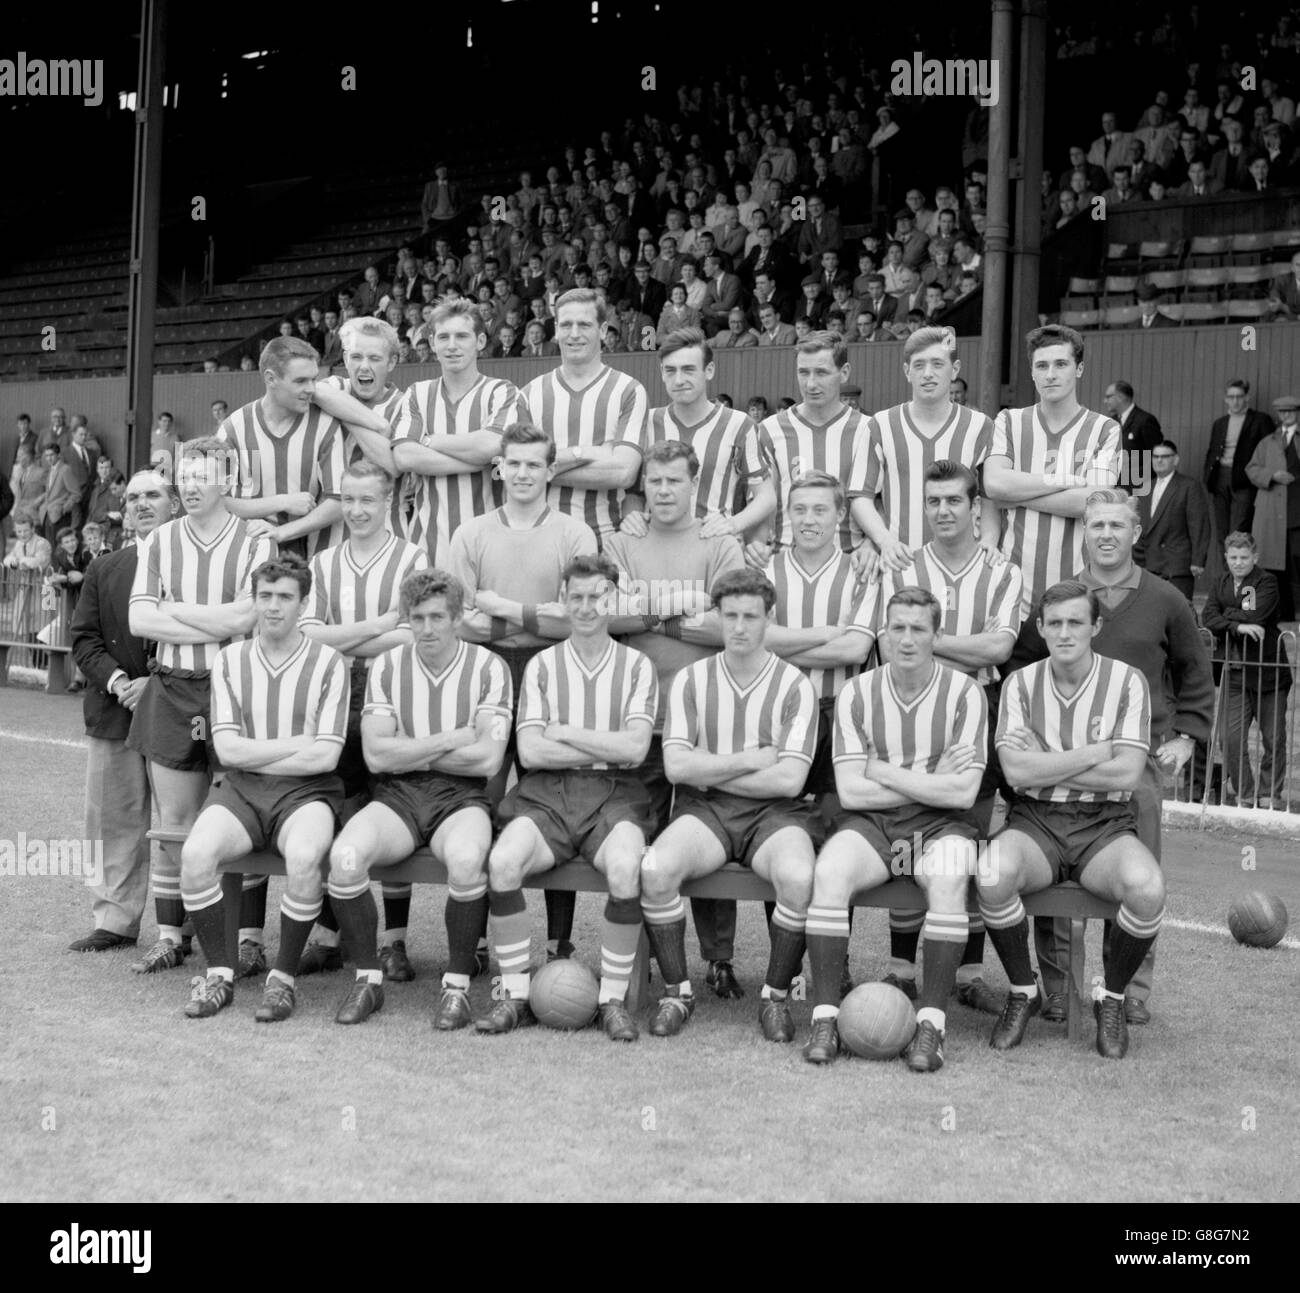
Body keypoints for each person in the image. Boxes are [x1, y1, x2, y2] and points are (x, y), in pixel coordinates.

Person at [1033, 491, 1212, 1024]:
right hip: (1064, 759)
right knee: (1054, 874)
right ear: (1082, 532)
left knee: (1138, 877)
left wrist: (1186, 736)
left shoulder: (1166, 599)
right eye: (1096, 524)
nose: (1106, 534)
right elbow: (1028, 665)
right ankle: (1059, 989)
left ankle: (1128, 988)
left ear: (1136, 533)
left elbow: (1195, 671)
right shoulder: (1063, 600)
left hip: (1139, 763)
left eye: (1117, 524)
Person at [802, 586, 989, 1071]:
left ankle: (932, 1025)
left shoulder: (965, 693)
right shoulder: (857, 693)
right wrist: (932, 779)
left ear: (937, 635)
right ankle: (824, 1017)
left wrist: (882, 770)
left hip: (946, 826)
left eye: (918, 629)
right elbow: (851, 793)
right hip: (873, 824)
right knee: (830, 873)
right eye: (897, 629)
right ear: (884, 633)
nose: (906, 640)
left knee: (948, 879)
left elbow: (963, 795)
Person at [978, 580, 1165, 1060]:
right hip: (1036, 820)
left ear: (1095, 626)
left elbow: (1127, 771)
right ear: (1039, 627)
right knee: (992, 874)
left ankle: (1113, 998)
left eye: (1075, 622)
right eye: (1054, 623)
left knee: (1145, 889)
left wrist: (1050, 759)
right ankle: (1023, 989)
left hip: (1103, 825)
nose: (1064, 633)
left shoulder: (1126, 681)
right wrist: (1094, 752)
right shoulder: (1020, 683)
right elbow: (1017, 773)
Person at [478, 554, 658, 1041]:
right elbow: (533, 750)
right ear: (562, 601)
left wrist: (567, 731)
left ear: (613, 598)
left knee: (625, 868)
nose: (586, 606)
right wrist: (600, 740)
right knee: (503, 862)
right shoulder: (541, 665)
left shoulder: (638, 666)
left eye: (596, 595)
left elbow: (635, 748)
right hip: (547, 792)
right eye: (575, 597)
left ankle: (612, 1001)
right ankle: (513, 995)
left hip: (616, 793)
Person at [639, 568, 820, 1044]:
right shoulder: (691, 679)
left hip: (775, 814)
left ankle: (775, 997)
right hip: (707, 809)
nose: (739, 627)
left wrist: (711, 763)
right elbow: (677, 767)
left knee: (799, 878)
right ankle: (678, 992)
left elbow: (790, 778)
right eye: (731, 616)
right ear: (717, 618)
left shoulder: (795, 685)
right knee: (656, 869)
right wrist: (749, 759)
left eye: (750, 617)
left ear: (768, 620)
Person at [324, 568, 511, 1026]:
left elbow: (486, 760)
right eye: (417, 618)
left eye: (436, 617)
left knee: (467, 860)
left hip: (462, 798)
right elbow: (375, 756)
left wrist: (408, 749)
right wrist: (449, 739)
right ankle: (368, 981)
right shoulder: (388, 665)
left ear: (458, 617)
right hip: (397, 795)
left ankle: (457, 987)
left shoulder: (490, 667)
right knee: (346, 857)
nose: (426, 629)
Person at [871, 461, 1024, 1003]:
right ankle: (901, 969)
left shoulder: (1004, 571)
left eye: (954, 501)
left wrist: (926, 642)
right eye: (933, 501)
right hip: (908, 703)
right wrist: (951, 643)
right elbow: (891, 644)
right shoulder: (902, 566)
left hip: (976, 706)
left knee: (971, 833)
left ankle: (968, 978)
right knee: (909, 826)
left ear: (975, 506)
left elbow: (999, 649)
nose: (942, 511)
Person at [127, 439, 275, 980]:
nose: (189, 486)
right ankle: (172, 936)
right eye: (183, 477)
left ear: (227, 481)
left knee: (242, 814)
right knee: (175, 820)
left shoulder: (255, 541)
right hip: (171, 686)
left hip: (234, 687)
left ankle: (249, 939)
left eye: (201, 477)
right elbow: (142, 620)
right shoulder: (160, 539)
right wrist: (212, 616)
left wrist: (175, 608)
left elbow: (244, 621)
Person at [178, 553, 349, 1021]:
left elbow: (326, 756)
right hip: (242, 790)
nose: (273, 606)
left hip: (307, 792)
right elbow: (228, 752)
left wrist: (264, 747)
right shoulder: (231, 660)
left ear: (303, 602)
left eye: (284, 597)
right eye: (265, 596)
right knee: (194, 857)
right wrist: (294, 741)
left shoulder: (330, 663)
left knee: (304, 857)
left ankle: (283, 979)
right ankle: (219, 976)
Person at [605, 439, 745, 992]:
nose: (663, 491)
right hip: (638, 721)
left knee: (707, 842)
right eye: (655, 482)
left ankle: (719, 959)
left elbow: (730, 624)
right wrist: (683, 609)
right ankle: (649, 962)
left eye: (674, 481)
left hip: (703, 720)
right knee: (637, 842)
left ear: (694, 484)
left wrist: (649, 616)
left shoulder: (718, 542)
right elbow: (608, 617)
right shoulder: (621, 542)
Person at [296, 461, 429, 978]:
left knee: (392, 808)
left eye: (367, 500)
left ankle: (394, 941)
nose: (355, 510)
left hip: (395, 692)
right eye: (347, 500)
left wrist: (348, 633)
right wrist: (378, 625)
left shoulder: (412, 557)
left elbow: (412, 634)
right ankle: (331, 935)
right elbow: (309, 634)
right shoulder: (325, 562)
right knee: (338, 809)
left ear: (389, 500)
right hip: (335, 696)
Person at [67, 471, 177, 954]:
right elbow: (84, 638)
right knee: (112, 820)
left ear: (174, 502)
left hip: (177, 707)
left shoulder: (197, 564)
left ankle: (185, 922)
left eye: (153, 494)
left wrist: (155, 682)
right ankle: (114, 919)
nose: (141, 504)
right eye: (133, 498)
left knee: (181, 821)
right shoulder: (105, 568)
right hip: (114, 711)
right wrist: (118, 682)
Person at [984, 325, 1121, 670]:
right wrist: (1061, 481)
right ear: (1031, 371)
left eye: (1060, 364)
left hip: (1078, 596)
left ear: (1079, 369)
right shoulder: (1010, 421)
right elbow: (995, 486)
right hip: (1014, 596)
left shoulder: (1105, 429)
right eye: (1041, 366)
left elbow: (1093, 505)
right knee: (1014, 713)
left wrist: (1018, 495)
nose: (1050, 374)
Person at [217, 337, 396, 560]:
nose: (312, 389)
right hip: (239, 549)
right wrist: (282, 502)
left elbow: (337, 499)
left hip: (299, 551)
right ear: (271, 379)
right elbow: (217, 500)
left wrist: (281, 532)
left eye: (314, 379)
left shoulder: (324, 424)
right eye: (301, 381)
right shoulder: (231, 428)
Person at [859, 326, 1000, 570]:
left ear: (954, 370)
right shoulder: (881, 425)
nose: (927, 373)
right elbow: (862, 496)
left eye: (937, 364)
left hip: (964, 563)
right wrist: (884, 541)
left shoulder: (980, 426)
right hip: (901, 562)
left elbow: (989, 498)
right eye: (919, 365)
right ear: (907, 371)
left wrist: (988, 540)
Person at [392, 298, 519, 567]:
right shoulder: (418, 393)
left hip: (492, 547)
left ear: (481, 341)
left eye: (462, 336)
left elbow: (492, 446)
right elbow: (404, 456)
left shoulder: (502, 390)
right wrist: (476, 462)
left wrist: (430, 441)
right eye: (443, 337)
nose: (452, 345)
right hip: (426, 547)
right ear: (433, 344)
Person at [517, 288, 648, 542]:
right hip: (541, 539)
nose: (574, 333)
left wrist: (542, 466)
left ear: (602, 329)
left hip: (608, 539)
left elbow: (623, 473)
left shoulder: (629, 391)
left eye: (584, 324)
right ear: (555, 330)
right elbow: (513, 472)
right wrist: (586, 452)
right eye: (566, 325)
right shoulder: (529, 394)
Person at [746, 334, 875, 561]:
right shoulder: (769, 430)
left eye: (821, 372)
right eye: (803, 372)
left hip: (849, 562)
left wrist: (871, 543)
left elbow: (880, 502)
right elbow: (761, 502)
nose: (811, 383)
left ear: (844, 372)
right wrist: (756, 545)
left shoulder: (869, 430)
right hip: (784, 560)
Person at [1245, 394, 1300, 621]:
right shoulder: (1268, 442)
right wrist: (1272, 475)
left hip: (1296, 511)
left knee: (1297, 559)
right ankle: (1283, 615)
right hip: (1273, 514)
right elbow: (1251, 468)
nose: (1286, 416)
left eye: (1290, 411)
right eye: (1282, 412)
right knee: (1276, 565)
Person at [1134, 440, 1211, 599]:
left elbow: (1199, 525)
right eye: (1155, 456)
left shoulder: (1189, 486)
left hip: (1176, 567)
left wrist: (1198, 560)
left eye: (1164, 456)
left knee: (1179, 616)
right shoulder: (1145, 487)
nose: (1159, 460)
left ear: (1175, 460)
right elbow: (1139, 527)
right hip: (1149, 564)